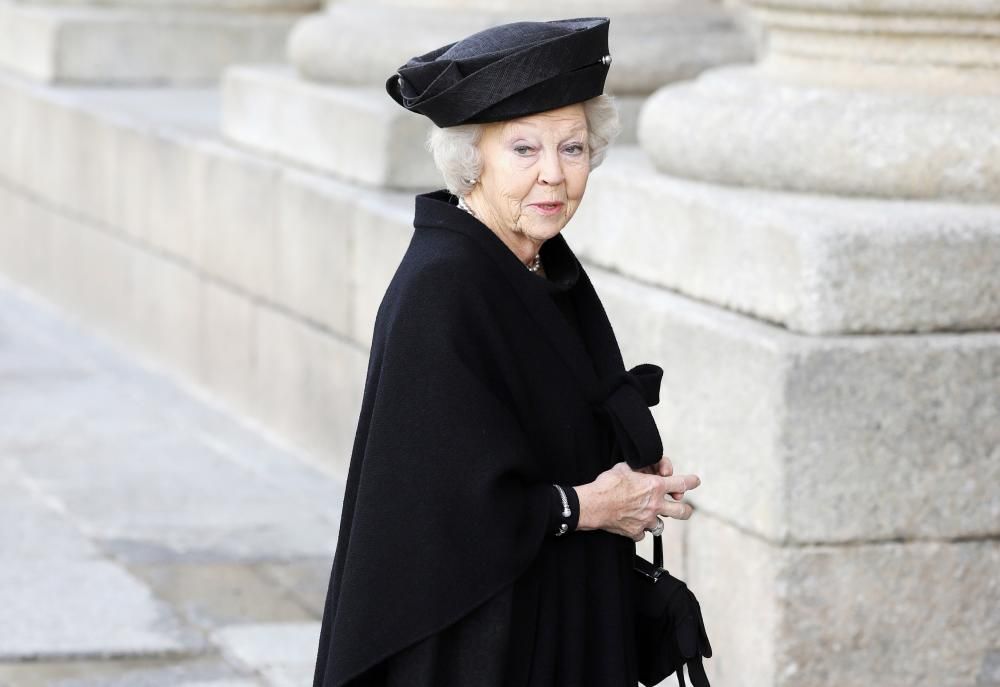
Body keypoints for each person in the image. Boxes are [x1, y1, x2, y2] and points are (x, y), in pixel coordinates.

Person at [312, 16, 703, 687]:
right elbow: (438, 508)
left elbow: (536, 423)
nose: (554, 175)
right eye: (524, 149)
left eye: (573, 148)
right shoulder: (445, 284)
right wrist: (592, 504)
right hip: (482, 647)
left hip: (554, 621)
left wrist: (627, 461)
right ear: (473, 161)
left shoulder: (533, 261)